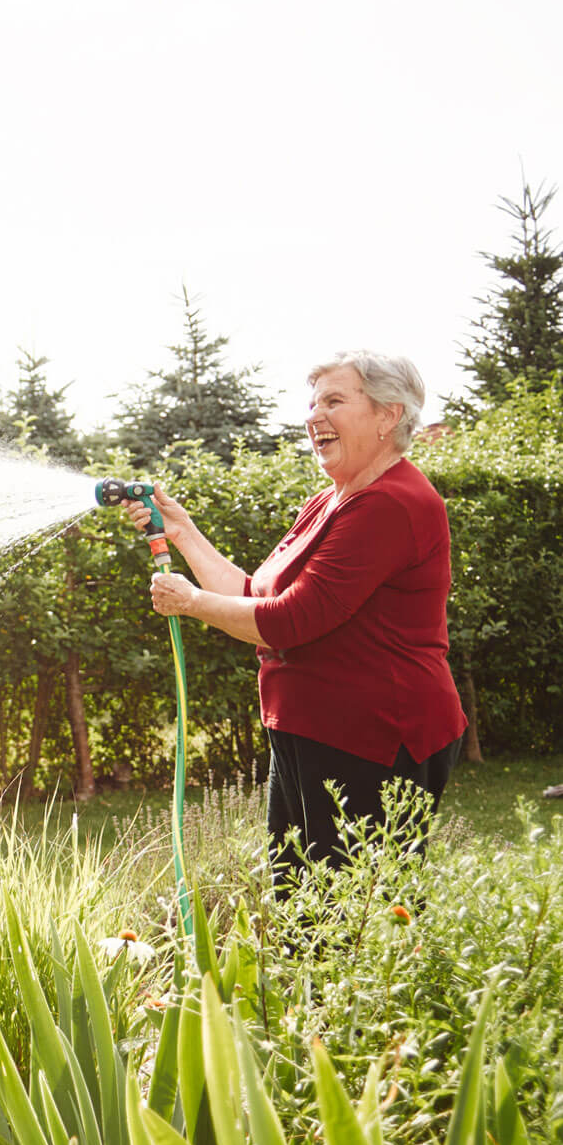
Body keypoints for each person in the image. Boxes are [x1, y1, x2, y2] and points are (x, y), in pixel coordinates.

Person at [124, 351, 467, 882]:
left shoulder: (390, 504)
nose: (314, 416)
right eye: (311, 403)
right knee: (302, 899)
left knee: (353, 913)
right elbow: (252, 594)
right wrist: (183, 532)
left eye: (334, 400)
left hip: (375, 738)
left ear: (387, 415)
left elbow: (290, 621)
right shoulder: (330, 501)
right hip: (313, 730)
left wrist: (191, 602)